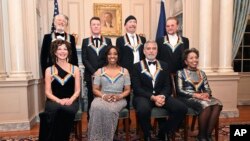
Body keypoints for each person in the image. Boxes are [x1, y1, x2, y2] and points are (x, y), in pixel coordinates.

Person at [132, 40, 187, 141]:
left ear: (157, 51)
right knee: (143, 109)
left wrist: (162, 96)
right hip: (144, 97)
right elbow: (137, 88)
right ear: (144, 51)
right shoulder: (136, 66)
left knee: (181, 108)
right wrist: (153, 98)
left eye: (154, 48)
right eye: (148, 49)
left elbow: (167, 86)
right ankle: (147, 134)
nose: (151, 51)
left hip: (161, 96)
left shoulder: (164, 65)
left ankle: (163, 132)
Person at [176, 48, 223, 141]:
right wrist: (196, 95)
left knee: (218, 104)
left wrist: (206, 94)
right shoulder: (180, 72)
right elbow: (180, 90)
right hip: (186, 98)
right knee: (206, 106)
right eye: (191, 58)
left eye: (196, 57)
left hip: (201, 97)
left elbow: (208, 89)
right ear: (186, 61)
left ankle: (208, 135)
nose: (195, 60)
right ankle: (201, 136)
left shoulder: (202, 73)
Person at [39, 40, 80, 141]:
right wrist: (59, 101)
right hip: (53, 101)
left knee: (65, 110)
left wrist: (71, 100)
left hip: (71, 101)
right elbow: (48, 93)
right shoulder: (49, 70)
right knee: (54, 110)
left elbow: (78, 90)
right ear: (55, 52)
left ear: (68, 51)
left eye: (65, 49)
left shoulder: (75, 69)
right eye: (59, 49)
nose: (62, 51)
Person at [88, 46, 131, 141]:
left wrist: (120, 96)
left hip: (119, 98)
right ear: (106, 56)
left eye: (115, 54)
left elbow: (128, 90)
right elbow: (95, 89)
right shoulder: (100, 71)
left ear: (118, 56)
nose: (112, 56)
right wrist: (104, 96)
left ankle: (107, 138)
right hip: (102, 97)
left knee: (110, 110)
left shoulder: (125, 71)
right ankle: (95, 138)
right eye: (110, 54)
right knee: (95, 106)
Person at [81, 16, 112, 120]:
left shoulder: (108, 41)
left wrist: (101, 71)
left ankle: (104, 117)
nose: (96, 26)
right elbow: (84, 59)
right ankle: (91, 118)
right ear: (90, 27)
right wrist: (94, 72)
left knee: (104, 96)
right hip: (90, 75)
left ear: (100, 26)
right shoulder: (85, 41)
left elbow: (109, 57)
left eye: (98, 24)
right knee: (91, 97)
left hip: (105, 74)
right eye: (93, 24)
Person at [116, 15, 146, 110]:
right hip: (126, 72)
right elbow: (118, 57)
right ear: (125, 25)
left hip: (140, 72)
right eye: (130, 22)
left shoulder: (143, 39)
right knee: (126, 96)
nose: (132, 24)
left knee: (140, 95)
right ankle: (127, 119)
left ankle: (140, 116)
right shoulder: (120, 40)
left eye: (134, 22)